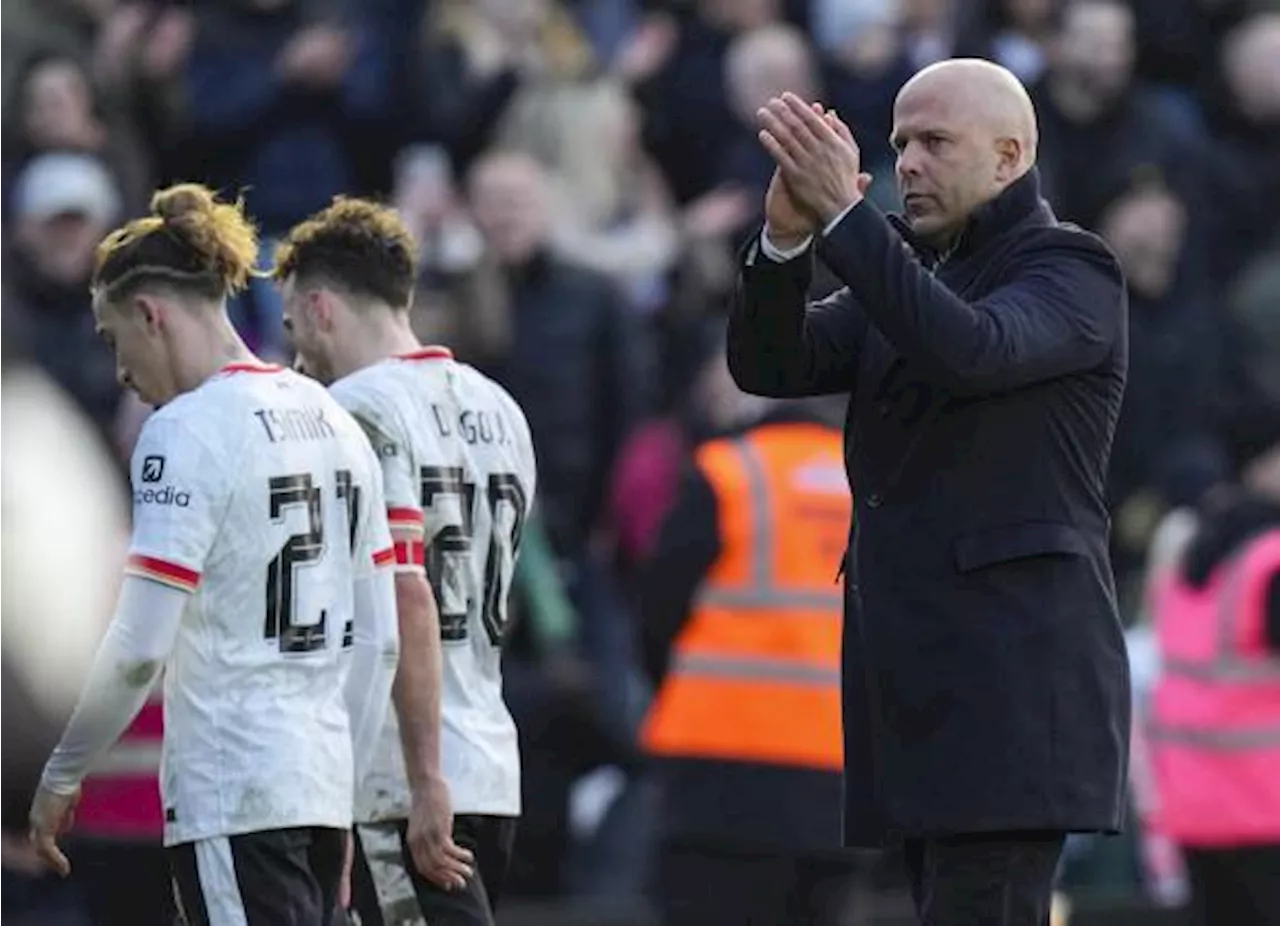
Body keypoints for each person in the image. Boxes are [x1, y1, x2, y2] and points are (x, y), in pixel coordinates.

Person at [726, 59, 1131, 925]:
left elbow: (971, 349)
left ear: (1009, 156)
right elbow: (774, 362)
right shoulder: (910, 270)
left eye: (935, 142)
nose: (906, 162)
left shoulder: (1071, 270)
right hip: (917, 690)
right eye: (900, 141)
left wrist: (844, 217)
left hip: (1014, 698)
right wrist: (789, 243)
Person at [26, 184, 401, 926]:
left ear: (149, 315)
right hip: (320, 790)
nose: (121, 371)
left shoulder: (184, 430)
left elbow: (139, 647)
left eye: (113, 340)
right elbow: (380, 639)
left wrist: (64, 771)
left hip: (232, 792)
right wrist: (348, 789)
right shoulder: (336, 417)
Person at [274, 196, 538, 926]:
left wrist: (421, 780)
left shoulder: (350, 411)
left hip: (404, 775)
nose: (295, 355)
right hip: (488, 758)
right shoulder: (503, 410)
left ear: (322, 307)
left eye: (294, 325)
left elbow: (404, 593)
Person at [638, 336, 857, 926]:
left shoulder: (727, 472)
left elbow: (656, 611)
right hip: (841, 777)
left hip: (719, 776)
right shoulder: (872, 484)